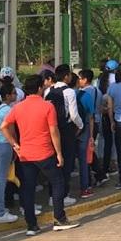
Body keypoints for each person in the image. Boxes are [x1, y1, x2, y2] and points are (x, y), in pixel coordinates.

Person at [0, 74, 79, 233]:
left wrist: (15, 145)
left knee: (27, 189)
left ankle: (31, 225)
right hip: (45, 152)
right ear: (39, 88)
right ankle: (59, 218)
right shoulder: (47, 106)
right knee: (58, 182)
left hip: (26, 154)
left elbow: (3, 126)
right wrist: (59, 153)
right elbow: (54, 131)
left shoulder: (18, 107)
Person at [45, 65, 83, 205]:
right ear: (66, 76)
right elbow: (74, 115)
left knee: (54, 162)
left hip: (51, 129)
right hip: (66, 131)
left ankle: (52, 195)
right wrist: (81, 126)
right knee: (66, 163)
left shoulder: (49, 91)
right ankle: (63, 195)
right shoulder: (69, 92)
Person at [0, 83, 20, 224]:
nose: (15, 95)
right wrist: (16, 145)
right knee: (1, 179)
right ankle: (0, 212)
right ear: (7, 95)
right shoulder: (8, 110)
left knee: (0, 178)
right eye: (13, 93)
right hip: (5, 145)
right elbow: (12, 130)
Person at [76, 70, 100, 197]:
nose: (79, 80)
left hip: (71, 130)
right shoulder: (91, 94)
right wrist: (91, 135)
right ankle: (85, 186)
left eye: (80, 78)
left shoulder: (71, 94)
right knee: (84, 158)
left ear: (85, 79)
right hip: (85, 128)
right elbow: (91, 116)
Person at [95, 63, 115, 183]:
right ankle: (111, 164)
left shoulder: (99, 79)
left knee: (102, 138)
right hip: (110, 111)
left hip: (101, 111)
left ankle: (101, 161)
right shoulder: (114, 79)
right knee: (111, 141)